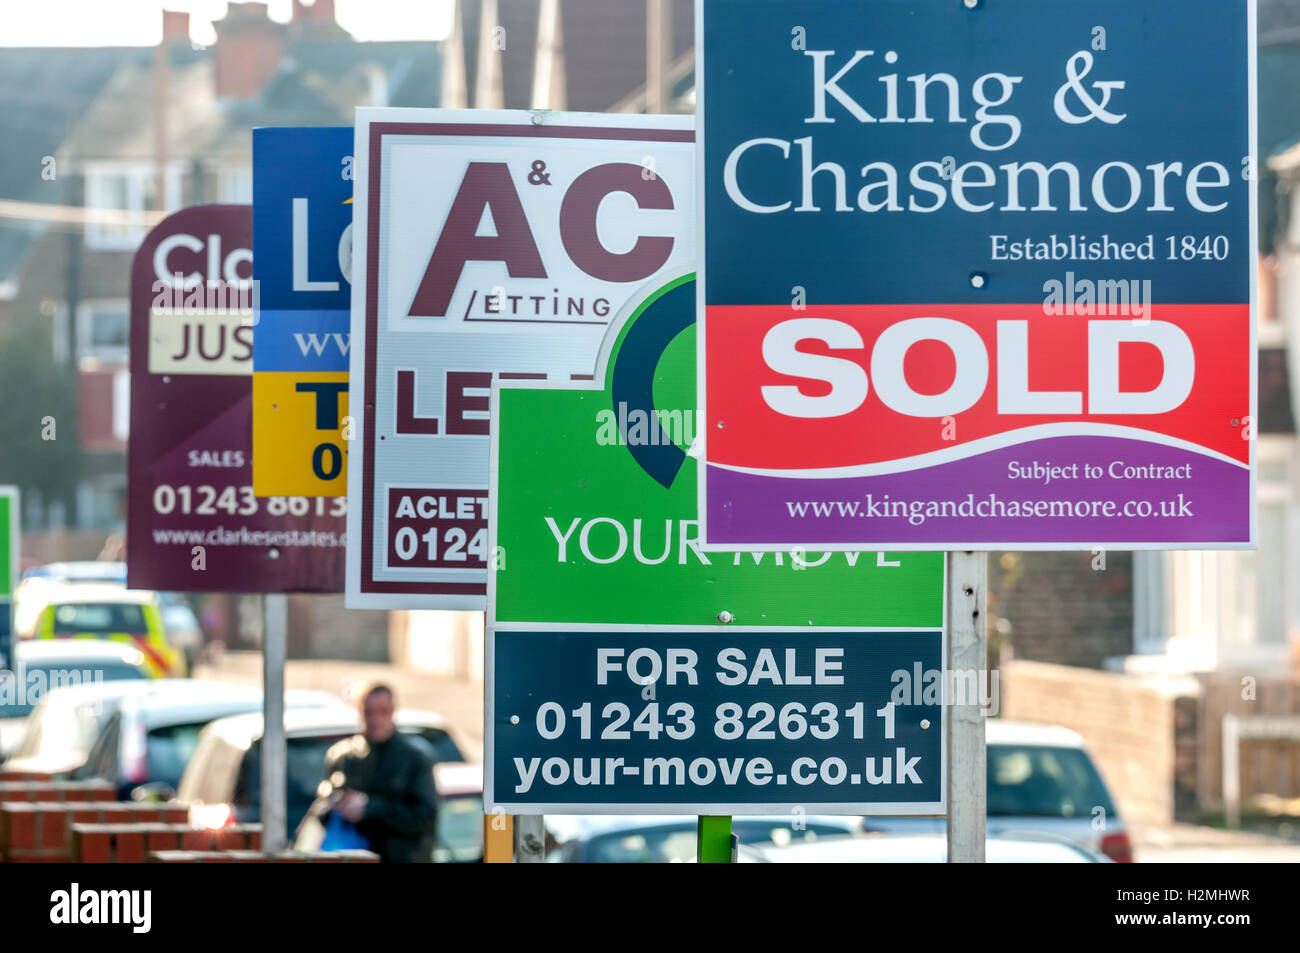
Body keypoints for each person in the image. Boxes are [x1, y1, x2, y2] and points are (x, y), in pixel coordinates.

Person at [321, 682, 438, 863]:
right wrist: (337, 802)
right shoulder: (343, 757)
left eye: (383, 712)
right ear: (360, 712)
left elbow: (425, 817)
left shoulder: (414, 759)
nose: (375, 720)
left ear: (393, 711)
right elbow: (320, 809)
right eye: (369, 712)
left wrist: (370, 808)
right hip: (352, 853)